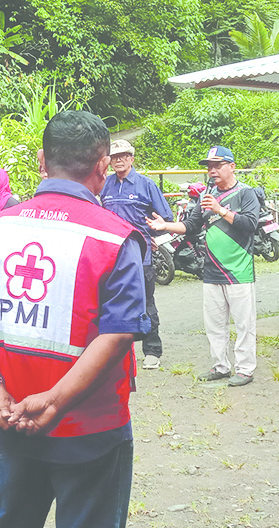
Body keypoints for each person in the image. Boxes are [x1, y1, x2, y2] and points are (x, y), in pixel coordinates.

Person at [0, 110, 149, 528]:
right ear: (103, 165)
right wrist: (59, 399)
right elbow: (118, 334)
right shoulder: (113, 238)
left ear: (42, 161)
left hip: (12, 418)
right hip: (92, 429)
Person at [147, 146, 260, 387]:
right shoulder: (206, 196)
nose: (212, 170)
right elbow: (190, 225)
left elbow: (250, 224)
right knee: (214, 324)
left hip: (239, 271)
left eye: (217, 165)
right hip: (211, 271)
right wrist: (165, 225)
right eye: (209, 166)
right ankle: (220, 366)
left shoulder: (246, 193)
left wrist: (220, 210)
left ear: (232, 166)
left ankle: (245, 368)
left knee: (243, 324)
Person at [100, 139, 173, 370]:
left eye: (124, 156)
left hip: (141, 258)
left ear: (132, 159)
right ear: (109, 161)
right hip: (111, 258)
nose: (119, 160)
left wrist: (153, 237)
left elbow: (165, 219)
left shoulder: (146, 185)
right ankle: (116, 353)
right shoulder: (104, 185)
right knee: (111, 303)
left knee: (145, 303)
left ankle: (152, 350)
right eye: (114, 157)